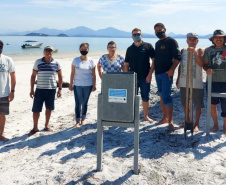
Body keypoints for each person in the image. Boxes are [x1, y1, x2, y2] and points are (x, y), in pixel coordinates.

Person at [149, 23, 181, 130]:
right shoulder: (157, 43)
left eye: (160, 30)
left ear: (165, 29)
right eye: (156, 30)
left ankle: (170, 121)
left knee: (167, 97)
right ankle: (164, 118)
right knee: (161, 96)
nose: (158, 32)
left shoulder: (171, 41)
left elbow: (177, 58)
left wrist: (171, 70)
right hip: (158, 74)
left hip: (167, 74)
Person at [29, 46, 62, 135]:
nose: (48, 52)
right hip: (39, 89)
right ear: (43, 52)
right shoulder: (38, 62)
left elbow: (60, 76)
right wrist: (31, 90)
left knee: (49, 108)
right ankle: (35, 127)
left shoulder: (56, 63)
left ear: (52, 52)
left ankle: (46, 125)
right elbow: (33, 76)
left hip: (51, 90)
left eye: (50, 50)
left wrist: (60, 89)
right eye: (46, 50)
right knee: (36, 109)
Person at [124, 28, 155, 123]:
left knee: (145, 97)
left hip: (145, 77)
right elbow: (126, 65)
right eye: (134, 34)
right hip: (133, 78)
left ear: (141, 35)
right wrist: (127, 77)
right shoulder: (129, 49)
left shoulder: (148, 46)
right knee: (132, 97)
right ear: (132, 36)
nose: (136, 36)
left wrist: (150, 74)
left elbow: (154, 61)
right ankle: (132, 115)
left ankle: (145, 116)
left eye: (138, 34)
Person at [176, 33, 204, 132]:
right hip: (184, 81)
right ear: (187, 40)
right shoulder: (183, 51)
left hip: (197, 82)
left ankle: (196, 124)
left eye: (194, 39)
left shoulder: (200, 50)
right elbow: (180, 65)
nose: (192, 41)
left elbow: (201, 64)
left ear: (197, 41)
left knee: (198, 104)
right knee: (185, 102)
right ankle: (187, 121)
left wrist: (195, 53)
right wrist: (178, 78)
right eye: (190, 39)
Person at [203, 29, 226, 134]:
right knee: (212, 104)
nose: (219, 39)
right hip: (212, 81)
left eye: (221, 37)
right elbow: (205, 64)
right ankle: (215, 125)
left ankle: (225, 126)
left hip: (225, 82)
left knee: (225, 105)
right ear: (213, 39)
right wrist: (207, 69)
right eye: (216, 37)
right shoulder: (208, 50)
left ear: (224, 39)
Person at [69, 43, 96, 127]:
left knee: (85, 103)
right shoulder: (75, 60)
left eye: (85, 49)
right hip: (77, 84)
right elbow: (72, 73)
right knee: (78, 103)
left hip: (88, 85)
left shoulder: (91, 61)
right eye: (82, 49)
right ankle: (77, 121)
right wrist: (71, 84)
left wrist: (94, 85)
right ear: (80, 50)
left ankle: (83, 119)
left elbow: (94, 74)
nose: (84, 50)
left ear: (88, 50)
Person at [0, 40, 16, 142]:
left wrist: (12, 91)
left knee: (2, 114)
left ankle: (1, 134)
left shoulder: (8, 60)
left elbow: (13, 75)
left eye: (0, 46)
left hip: (3, 93)